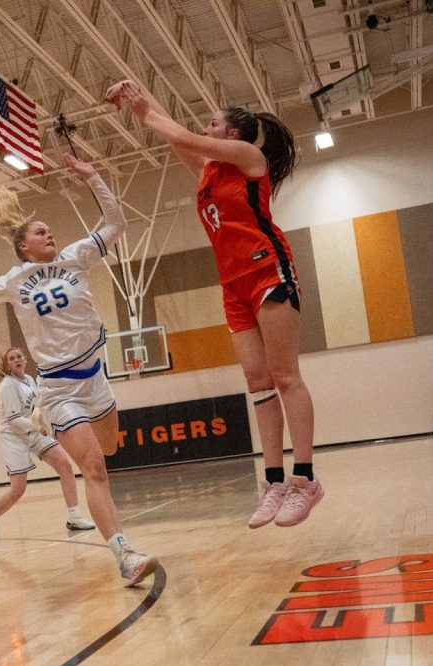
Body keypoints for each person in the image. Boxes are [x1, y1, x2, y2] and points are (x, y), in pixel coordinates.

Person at [0, 154, 157, 586]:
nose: (51, 234)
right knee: (95, 469)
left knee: (111, 448)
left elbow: (117, 223)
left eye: (50, 230)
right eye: (41, 231)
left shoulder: (75, 256)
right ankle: (124, 554)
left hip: (96, 379)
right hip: (59, 389)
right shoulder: (13, 280)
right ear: (24, 245)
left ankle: (118, 540)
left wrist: (94, 177)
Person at [106, 81, 323, 530]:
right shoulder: (210, 172)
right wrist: (143, 99)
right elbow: (177, 139)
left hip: (267, 268)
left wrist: (145, 110)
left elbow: (182, 136)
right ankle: (275, 482)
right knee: (257, 381)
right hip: (232, 283)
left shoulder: (249, 159)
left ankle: (305, 480)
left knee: (285, 376)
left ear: (234, 135)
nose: (206, 128)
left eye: (213, 123)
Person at [0, 347, 97, 541]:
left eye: (19, 356)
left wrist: (48, 425)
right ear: (8, 364)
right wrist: (39, 427)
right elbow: (13, 419)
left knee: (64, 465)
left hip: (33, 431)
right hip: (13, 436)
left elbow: (38, 410)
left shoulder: (30, 380)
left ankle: (74, 517)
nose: (16, 360)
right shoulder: (7, 385)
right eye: (11, 358)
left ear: (25, 359)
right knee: (18, 489)